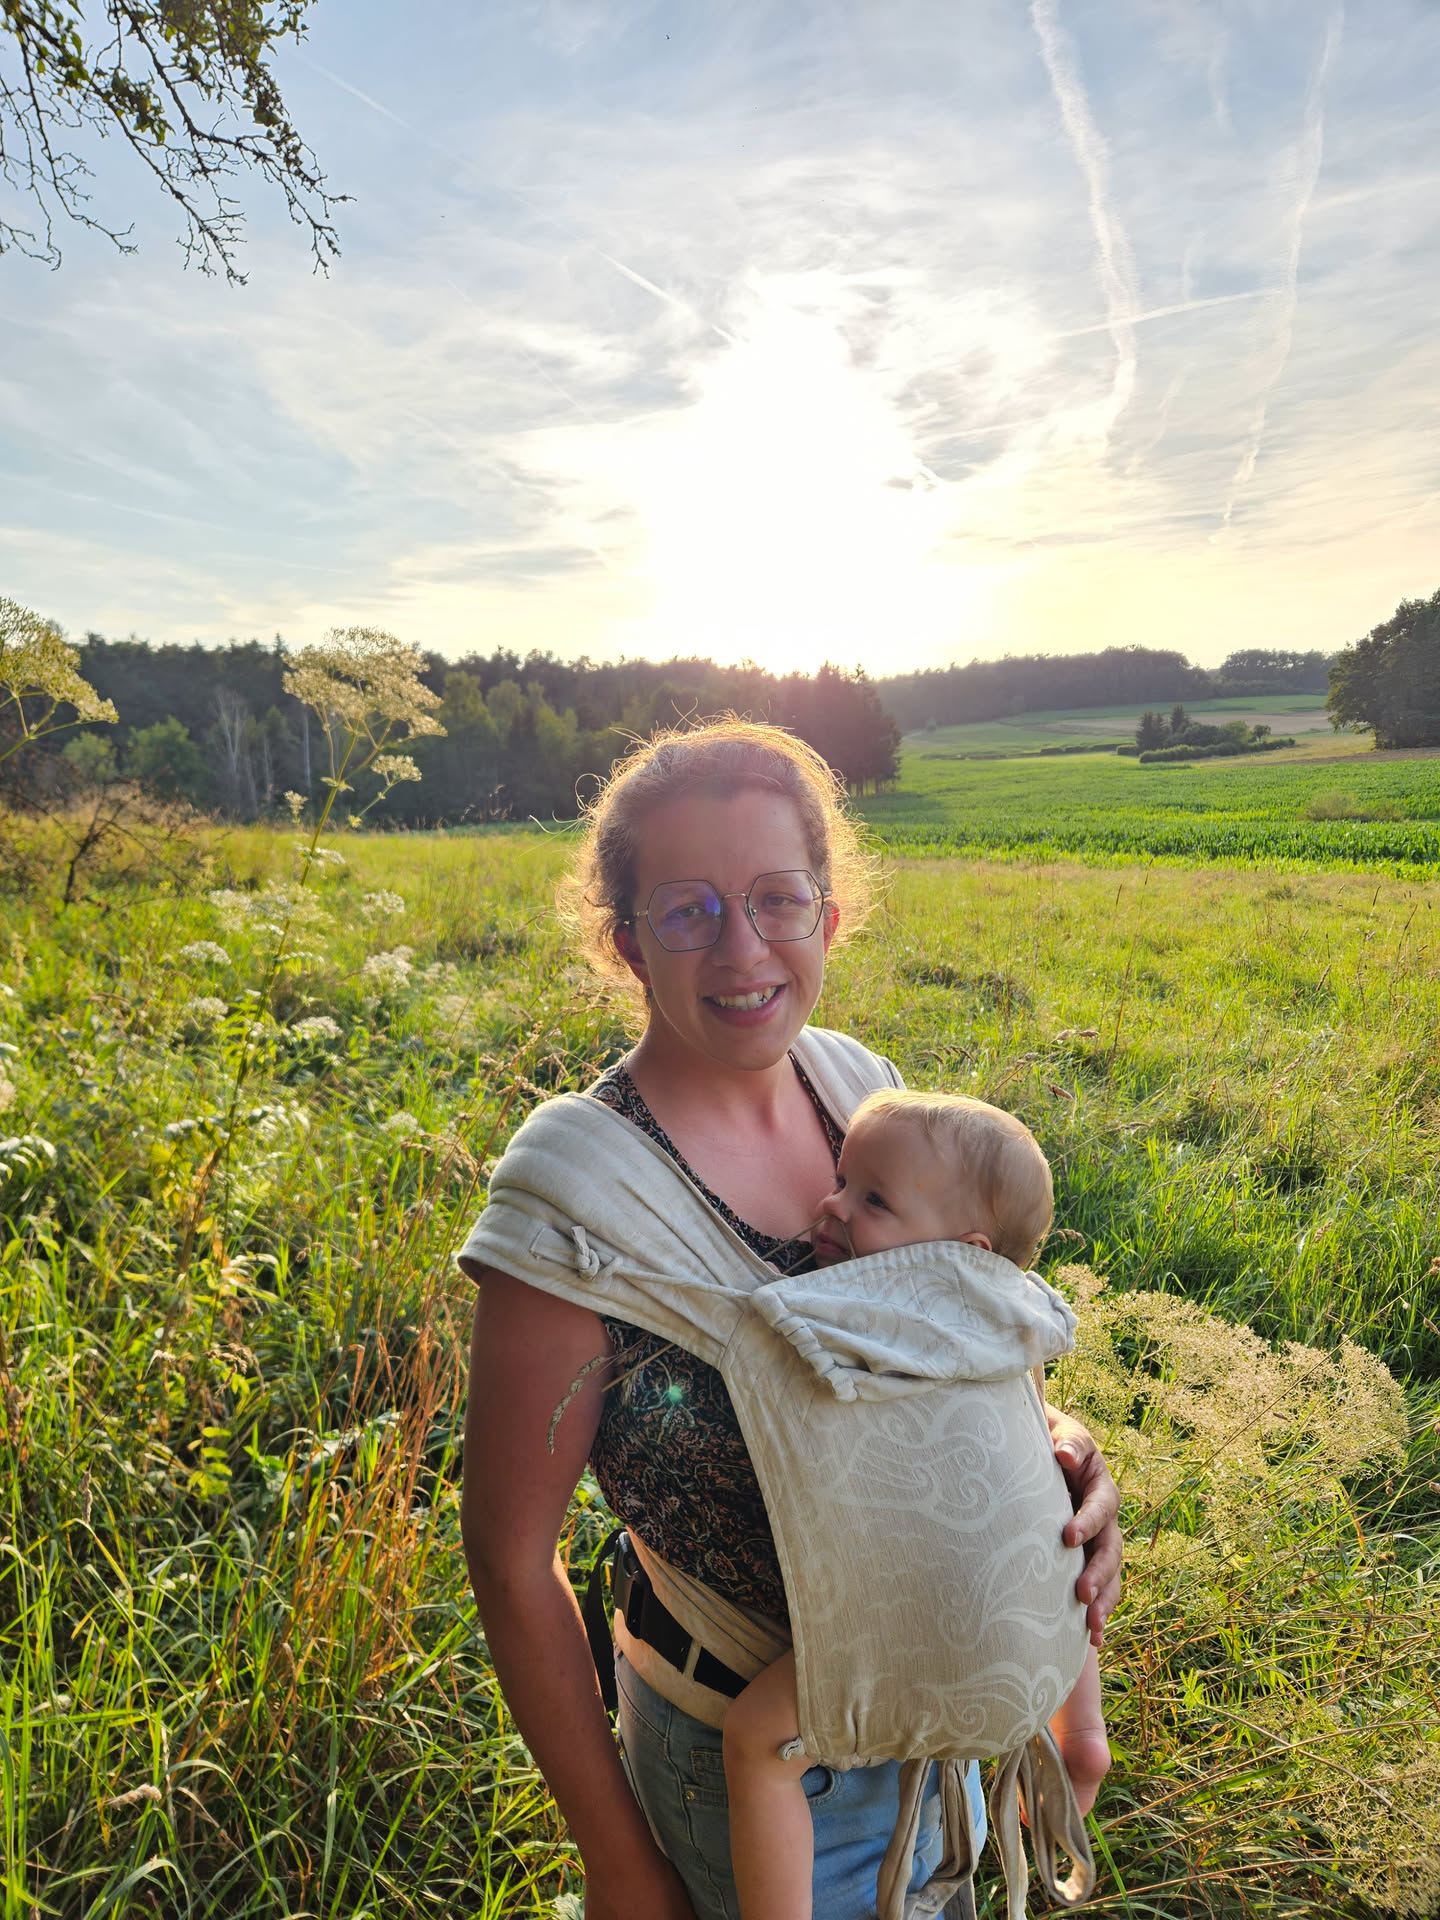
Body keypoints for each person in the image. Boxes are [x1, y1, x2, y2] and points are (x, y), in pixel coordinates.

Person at [458, 720, 1122, 1920]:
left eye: (777, 898)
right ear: (626, 941)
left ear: (829, 913)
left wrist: (1061, 1461)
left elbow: (949, 1350)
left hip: (943, 1724)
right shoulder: (579, 1197)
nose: (742, 948)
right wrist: (619, 1864)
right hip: (754, 1774)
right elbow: (509, 1561)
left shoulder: (864, 1098)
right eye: (688, 911)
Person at [721, 1088, 1111, 1920]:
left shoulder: (851, 1317)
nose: (830, 1205)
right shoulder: (1013, 1316)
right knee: (1050, 1534)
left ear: (962, 1253)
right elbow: (1039, 1476)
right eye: (841, 1181)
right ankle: (1083, 1739)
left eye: (873, 1201)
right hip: (1034, 1633)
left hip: (920, 1632)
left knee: (757, 1744)